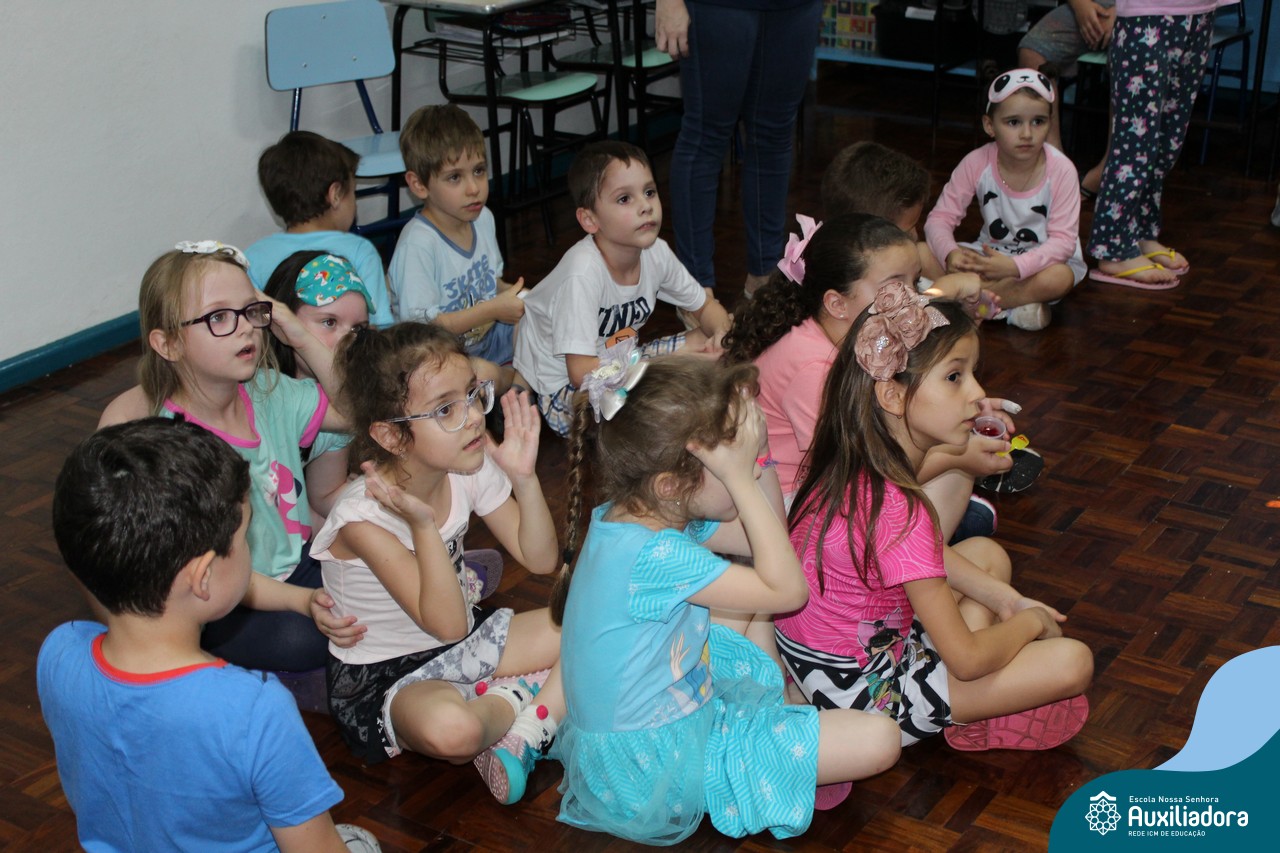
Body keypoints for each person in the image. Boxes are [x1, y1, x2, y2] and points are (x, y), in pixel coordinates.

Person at [548, 352, 901, 844]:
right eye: (732, 460)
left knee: (749, 598)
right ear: (672, 485)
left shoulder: (636, 513)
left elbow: (766, 542)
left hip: (639, 737)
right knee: (882, 738)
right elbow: (788, 589)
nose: (747, 469)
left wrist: (759, 457)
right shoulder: (656, 553)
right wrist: (740, 477)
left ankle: (778, 736)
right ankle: (771, 752)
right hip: (656, 766)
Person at [38, 418, 380, 853]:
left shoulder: (60, 652)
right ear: (202, 577)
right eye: (245, 537)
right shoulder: (253, 709)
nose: (250, 548)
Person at [775, 283, 1093, 751]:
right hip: (868, 694)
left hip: (824, 661)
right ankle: (967, 713)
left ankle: (973, 701)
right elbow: (966, 660)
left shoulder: (852, 464)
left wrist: (1007, 601)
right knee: (1073, 662)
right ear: (892, 395)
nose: (977, 392)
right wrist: (1032, 622)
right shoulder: (901, 510)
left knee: (984, 554)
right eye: (955, 377)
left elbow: (918, 558)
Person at [312, 322, 563, 805]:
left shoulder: (465, 465)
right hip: (390, 673)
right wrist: (424, 527)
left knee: (588, 626)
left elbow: (540, 558)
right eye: (446, 409)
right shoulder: (360, 517)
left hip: (464, 634)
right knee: (454, 733)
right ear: (391, 435)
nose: (474, 417)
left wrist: (525, 479)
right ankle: (519, 696)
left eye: (472, 395)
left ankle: (521, 726)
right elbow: (445, 625)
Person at [98, 241, 364, 673]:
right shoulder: (168, 440)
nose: (246, 330)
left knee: (374, 588)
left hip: (297, 562)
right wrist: (300, 601)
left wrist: (297, 334)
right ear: (168, 344)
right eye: (219, 317)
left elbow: (353, 411)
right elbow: (195, 574)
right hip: (219, 597)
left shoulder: (270, 392)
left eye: (251, 311)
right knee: (305, 640)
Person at [722, 214, 1028, 534]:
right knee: (956, 465)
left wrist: (962, 409)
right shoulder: (814, 369)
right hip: (790, 507)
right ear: (837, 304)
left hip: (835, 479)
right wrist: (958, 458)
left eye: (915, 282)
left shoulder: (862, 336)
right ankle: (918, 555)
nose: (913, 299)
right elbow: (860, 476)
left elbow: (892, 410)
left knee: (953, 451)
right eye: (895, 287)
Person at [513, 141, 733, 437]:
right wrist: (658, 371)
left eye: (649, 192)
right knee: (644, 410)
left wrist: (721, 336)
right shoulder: (582, 274)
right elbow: (580, 374)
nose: (645, 206)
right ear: (590, 220)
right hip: (565, 387)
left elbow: (705, 307)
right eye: (625, 198)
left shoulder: (656, 252)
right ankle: (520, 383)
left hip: (619, 360)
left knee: (710, 340)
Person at [656, 0, 823, 300]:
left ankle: (765, 274)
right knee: (705, 138)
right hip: (717, 8)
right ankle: (694, 290)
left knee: (774, 136)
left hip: (796, 9)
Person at [925, 69, 1086, 331]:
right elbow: (939, 219)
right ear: (990, 125)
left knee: (1059, 278)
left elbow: (1063, 243)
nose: (1027, 133)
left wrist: (1014, 267)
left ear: (1050, 122)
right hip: (989, 257)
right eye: (1013, 122)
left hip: (1041, 264)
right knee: (921, 252)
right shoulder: (976, 162)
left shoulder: (1062, 170)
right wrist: (950, 253)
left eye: (1038, 121)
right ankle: (1011, 304)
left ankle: (968, 300)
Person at [1086, 1, 1222, 289]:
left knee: (1167, 142)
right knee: (1135, 141)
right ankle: (1113, 248)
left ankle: (1141, 233)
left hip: (1199, 14)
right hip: (1146, 16)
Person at [389, 104, 524, 393]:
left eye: (479, 171)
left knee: (540, 323)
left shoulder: (483, 218)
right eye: (454, 177)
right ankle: (514, 386)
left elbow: (492, 284)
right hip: (439, 359)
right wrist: (493, 309)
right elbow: (424, 332)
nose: (474, 188)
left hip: (486, 340)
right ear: (419, 185)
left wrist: (523, 298)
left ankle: (513, 386)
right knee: (484, 373)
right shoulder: (418, 244)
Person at [263, 251, 371, 522]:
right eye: (329, 322)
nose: (346, 340)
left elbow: (323, 497)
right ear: (282, 323)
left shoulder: (340, 400)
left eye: (358, 329)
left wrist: (373, 495)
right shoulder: (263, 394)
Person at [245, 131, 394, 327]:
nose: (355, 203)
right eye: (353, 192)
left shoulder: (253, 257)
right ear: (335, 195)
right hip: (348, 347)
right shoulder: (359, 251)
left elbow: (253, 325)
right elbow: (378, 327)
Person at [1018, 0, 1115, 197]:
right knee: (1032, 52)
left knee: (1133, 57)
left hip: (1142, 12)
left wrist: (1123, 10)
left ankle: (1109, 167)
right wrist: (1080, 6)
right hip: (1091, 4)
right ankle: (1054, 161)